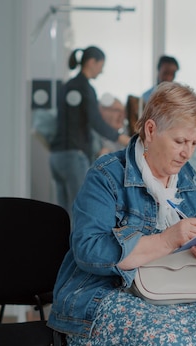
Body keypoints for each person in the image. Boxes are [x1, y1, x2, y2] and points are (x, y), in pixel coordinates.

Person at [47, 81, 196, 346]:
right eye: (180, 141)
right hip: (106, 297)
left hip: (173, 295)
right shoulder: (106, 175)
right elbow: (88, 250)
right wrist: (167, 240)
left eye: (195, 143)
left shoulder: (187, 177)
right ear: (151, 130)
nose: (188, 153)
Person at [49, 46, 123, 217]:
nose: (102, 71)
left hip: (56, 156)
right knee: (80, 211)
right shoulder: (85, 88)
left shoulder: (67, 86)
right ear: (92, 62)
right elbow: (95, 121)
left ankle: (64, 244)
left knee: (63, 212)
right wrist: (120, 137)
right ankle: (78, 245)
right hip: (73, 155)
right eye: (101, 65)